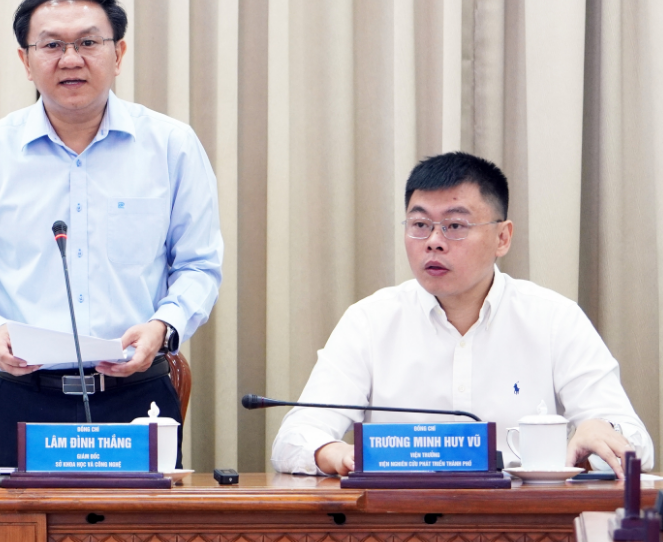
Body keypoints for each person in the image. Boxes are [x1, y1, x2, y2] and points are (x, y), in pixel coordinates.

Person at [0, 0, 223, 466]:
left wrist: (165, 324)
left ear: (118, 53)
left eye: (88, 43)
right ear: (26, 60)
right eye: (52, 45)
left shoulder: (171, 146)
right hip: (27, 399)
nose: (71, 59)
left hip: (138, 397)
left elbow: (200, 265)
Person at [271, 151, 652, 477]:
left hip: (521, 523)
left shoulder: (554, 319)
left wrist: (598, 432)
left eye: (454, 225)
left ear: (502, 237)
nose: (434, 241)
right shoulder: (370, 321)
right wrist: (335, 454)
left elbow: (637, 445)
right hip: (398, 525)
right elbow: (293, 439)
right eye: (420, 225)